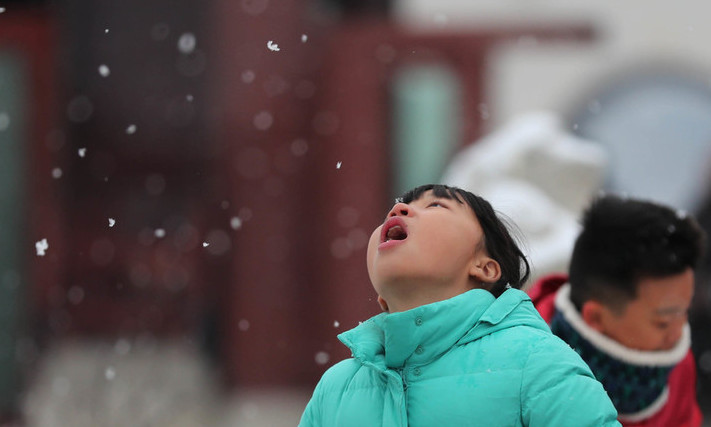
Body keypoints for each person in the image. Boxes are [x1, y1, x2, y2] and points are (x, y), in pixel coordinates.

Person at [299, 184, 619, 426]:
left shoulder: (534, 361)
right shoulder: (337, 387)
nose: (400, 211)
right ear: (382, 298)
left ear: (485, 267)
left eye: (436, 205)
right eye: (394, 210)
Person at [528, 194, 706, 426]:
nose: (679, 333)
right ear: (596, 317)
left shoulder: (676, 366)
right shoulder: (518, 374)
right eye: (663, 322)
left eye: (685, 312)